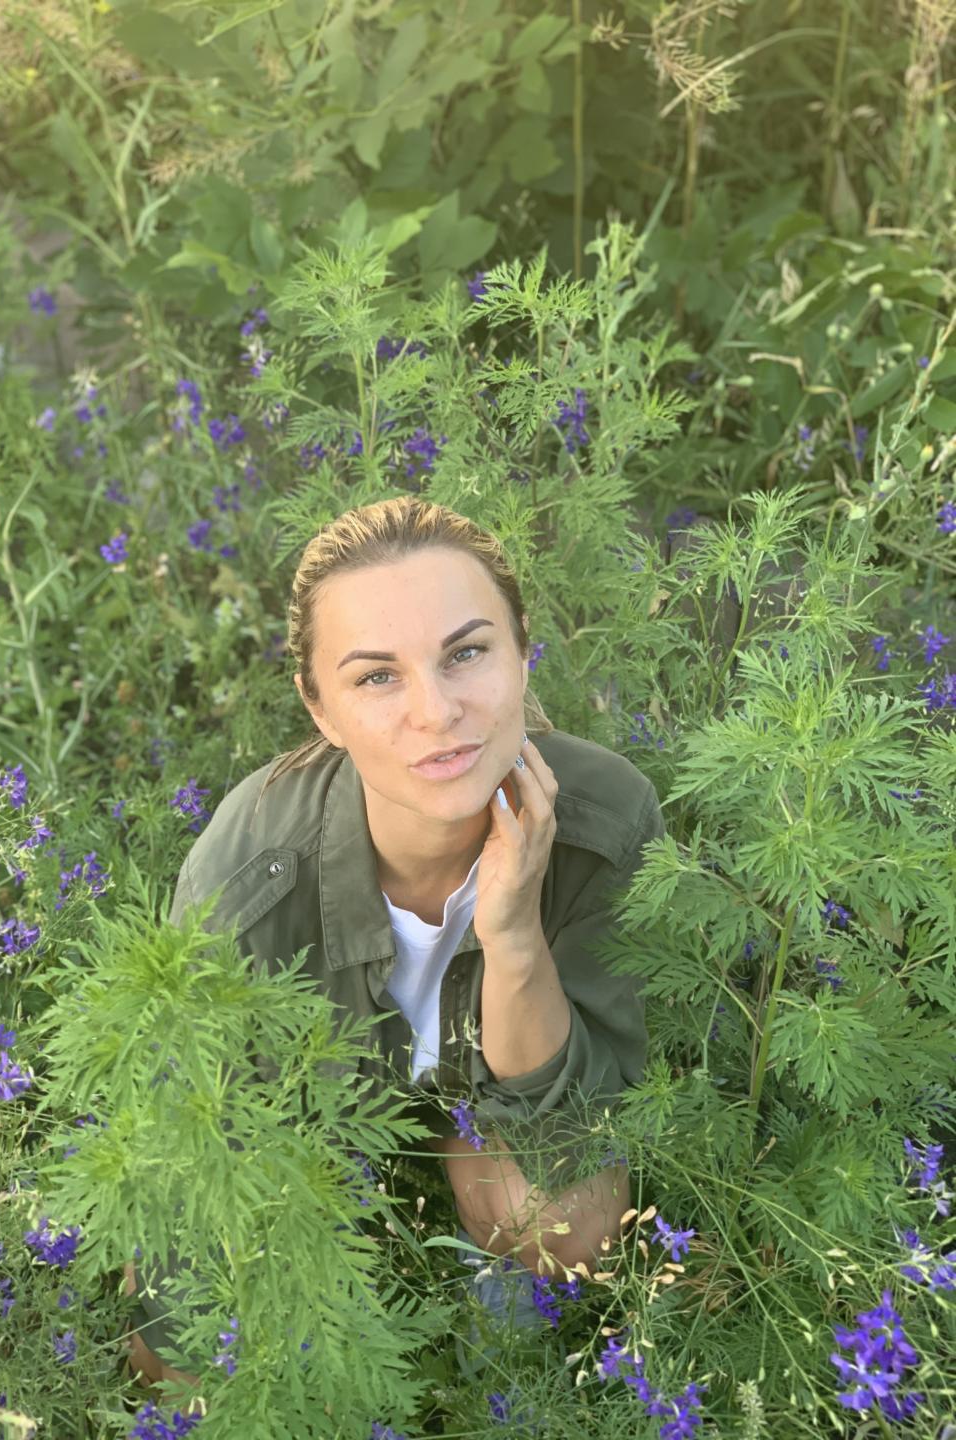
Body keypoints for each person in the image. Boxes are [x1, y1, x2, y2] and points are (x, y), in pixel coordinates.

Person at [123, 495, 666, 1397]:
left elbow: (576, 1129)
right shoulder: (244, 880)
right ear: (321, 707)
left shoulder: (604, 821)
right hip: (315, 1154)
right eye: (377, 677)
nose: (437, 711)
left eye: (467, 653)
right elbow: (196, 1154)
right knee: (180, 1359)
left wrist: (513, 932)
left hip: (491, 1126)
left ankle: (504, 1347)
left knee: (569, 1228)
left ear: (523, 651)